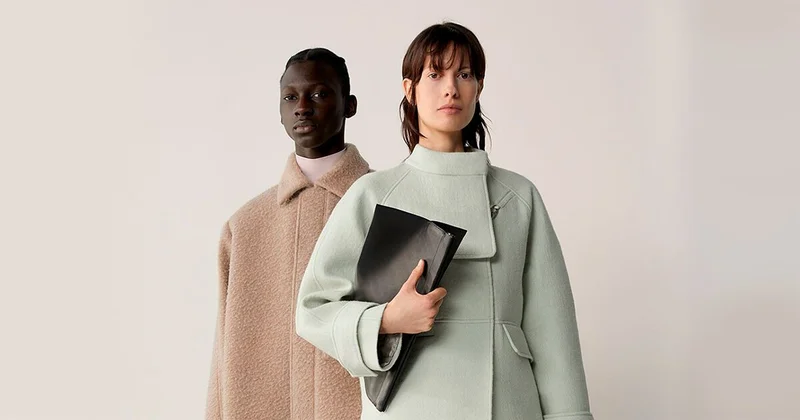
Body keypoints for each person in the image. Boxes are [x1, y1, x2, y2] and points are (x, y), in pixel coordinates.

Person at [294, 23, 594, 419]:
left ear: (478, 88)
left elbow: (554, 333)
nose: (450, 88)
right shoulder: (374, 194)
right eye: (435, 75)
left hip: (508, 405)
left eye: (464, 74)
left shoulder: (518, 197)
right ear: (410, 89)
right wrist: (387, 319)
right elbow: (313, 309)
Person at [205, 47, 367, 420]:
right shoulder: (245, 225)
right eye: (290, 97)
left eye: (319, 94)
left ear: (350, 105)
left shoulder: (384, 205)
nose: (302, 107)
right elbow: (222, 351)